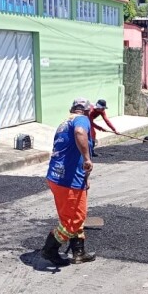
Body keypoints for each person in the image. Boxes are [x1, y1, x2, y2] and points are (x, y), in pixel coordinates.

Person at [40, 97, 97, 267]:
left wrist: (85, 178)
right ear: (87, 111)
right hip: (68, 180)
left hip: (58, 177)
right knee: (73, 220)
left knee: (73, 216)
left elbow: (69, 151)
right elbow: (80, 133)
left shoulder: (64, 123)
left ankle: (78, 252)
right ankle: (49, 249)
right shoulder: (81, 120)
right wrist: (87, 158)